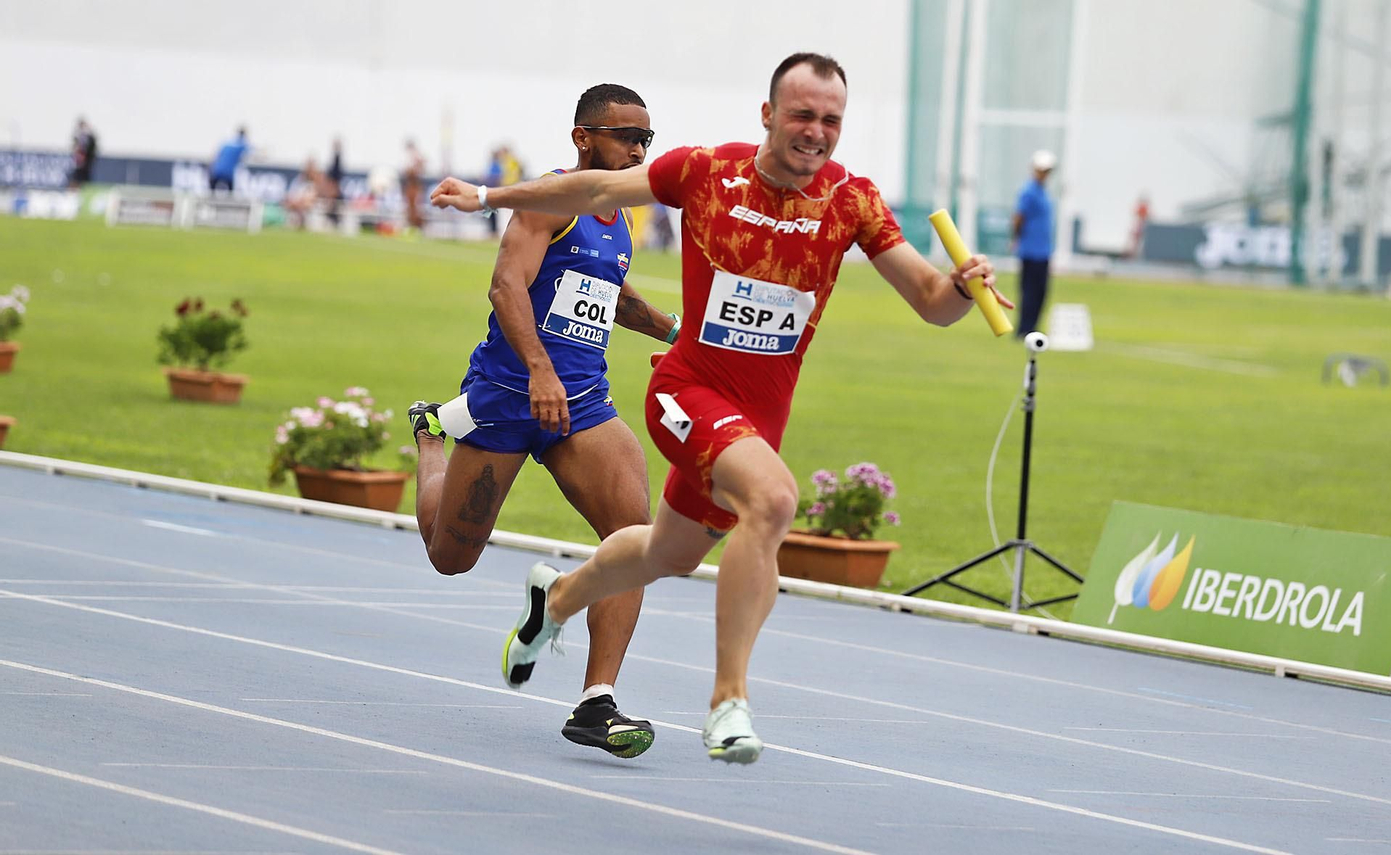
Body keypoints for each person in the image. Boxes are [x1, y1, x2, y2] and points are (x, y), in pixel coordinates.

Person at [430, 53, 1010, 765]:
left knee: (660, 551)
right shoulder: (707, 171)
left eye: (831, 119)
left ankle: (560, 614)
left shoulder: (853, 201)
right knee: (770, 499)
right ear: (768, 114)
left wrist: (959, 284)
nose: (816, 132)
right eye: (802, 114)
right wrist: (488, 197)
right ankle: (728, 702)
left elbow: (932, 302)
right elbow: (592, 191)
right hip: (673, 391)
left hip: (726, 411)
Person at [410, 84, 680, 759]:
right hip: (508, 394)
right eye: (626, 136)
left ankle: (596, 703)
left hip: (583, 402)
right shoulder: (547, 200)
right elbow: (506, 286)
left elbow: (608, 297)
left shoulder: (620, 216)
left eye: (647, 138)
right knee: (450, 557)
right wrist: (539, 370)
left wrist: (677, 332)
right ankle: (430, 436)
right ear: (583, 138)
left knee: (635, 539)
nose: (639, 150)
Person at [1011, 150, 1056, 337]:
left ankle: (1033, 326)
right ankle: (1024, 328)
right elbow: (1018, 218)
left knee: (1041, 292)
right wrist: (1016, 238)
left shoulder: (1043, 192)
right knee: (1029, 292)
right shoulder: (1028, 191)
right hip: (1030, 250)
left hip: (1043, 250)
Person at [210, 126, 250, 195]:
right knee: (230, 195)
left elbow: (217, 156)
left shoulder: (227, 143)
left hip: (216, 170)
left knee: (211, 194)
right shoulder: (242, 145)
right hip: (228, 173)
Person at [402, 138, 426, 231]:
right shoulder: (409, 157)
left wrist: (415, 168)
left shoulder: (415, 156)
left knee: (416, 208)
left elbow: (420, 166)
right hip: (410, 184)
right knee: (410, 208)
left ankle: (417, 227)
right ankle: (411, 226)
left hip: (415, 185)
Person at [69, 117, 98, 189]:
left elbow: (92, 147)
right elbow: (74, 148)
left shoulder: (89, 138)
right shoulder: (77, 137)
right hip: (78, 164)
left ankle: (84, 190)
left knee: (85, 179)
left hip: (86, 164)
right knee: (76, 178)